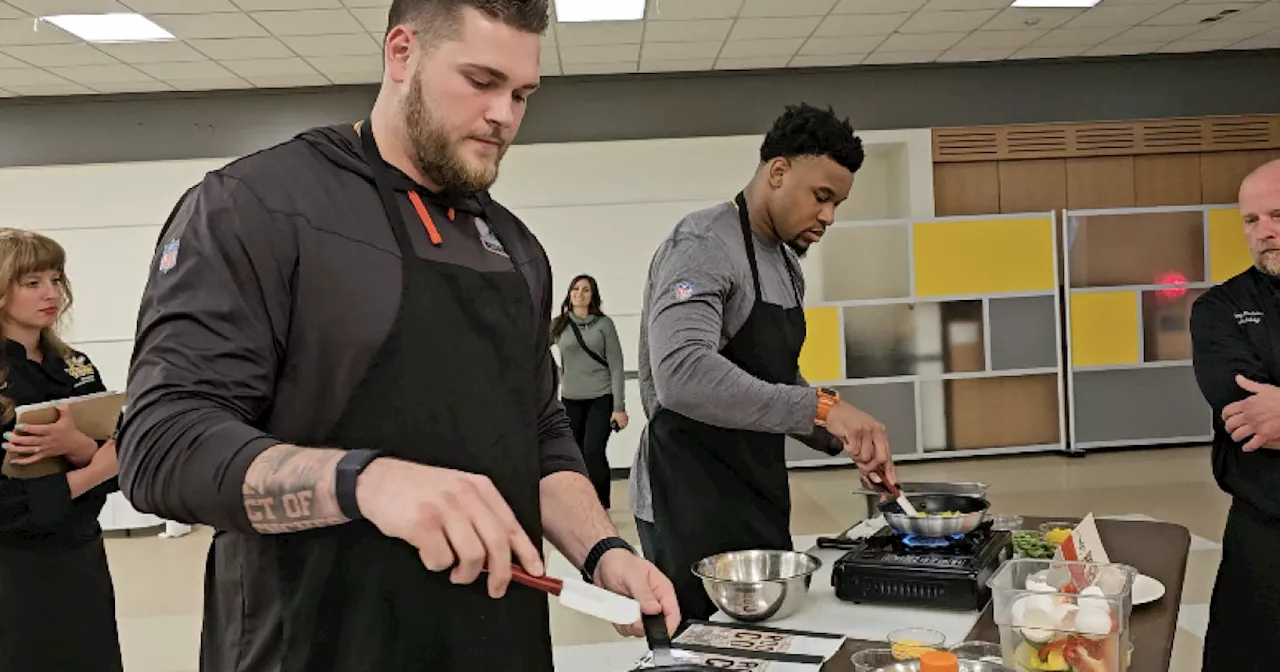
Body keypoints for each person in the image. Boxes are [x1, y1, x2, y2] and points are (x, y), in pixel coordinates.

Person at [117, 2, 678, 671]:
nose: (505, 115)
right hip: (311, 645)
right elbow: (160, 445)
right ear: (402, 53)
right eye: (481, 81)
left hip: (495, 643)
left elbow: (539, 431)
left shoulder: (516, 248)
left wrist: (602, 552)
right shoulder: (257, 207)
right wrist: (368, 481)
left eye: (522, 93)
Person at [629, 103, 897, 621]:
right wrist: (820, 409)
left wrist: (840, 432)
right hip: (687, 498)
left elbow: (774, 378)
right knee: (700, 648)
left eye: (837, 203)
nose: (829, 217)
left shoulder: (784, 263)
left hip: (757, 492)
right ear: (778, 172)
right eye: (822, 197)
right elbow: (681, 374)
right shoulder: (704, 244)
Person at [0, 228, 123, 672]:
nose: (51, 293)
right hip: (12, 569)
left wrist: (76, 447)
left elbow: (123, 462)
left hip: (79, 557)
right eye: (32, 283)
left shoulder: (76, 367)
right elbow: (7, 507)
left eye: (56, 280)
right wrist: (92, 467)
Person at [1190, 158, 1280, 672]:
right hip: (1264, 534)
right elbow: (1251, 422)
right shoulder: (1221, 308)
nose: (1264, 233)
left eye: (1278, 215)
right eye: (1252, 220)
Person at [552, 274, 628, 509]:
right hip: (571, 399)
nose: (580, 293)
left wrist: (619, 408)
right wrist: (556, 372)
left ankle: (601, 508)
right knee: (575, 456)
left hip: (601, 397)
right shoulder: (559, 324)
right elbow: (536, 351)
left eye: (586, 290)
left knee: (593, 452)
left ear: (592, 295)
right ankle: (579, 506)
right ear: (569, 293)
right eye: (575, 289)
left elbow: (616, 366)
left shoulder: (604, 325)